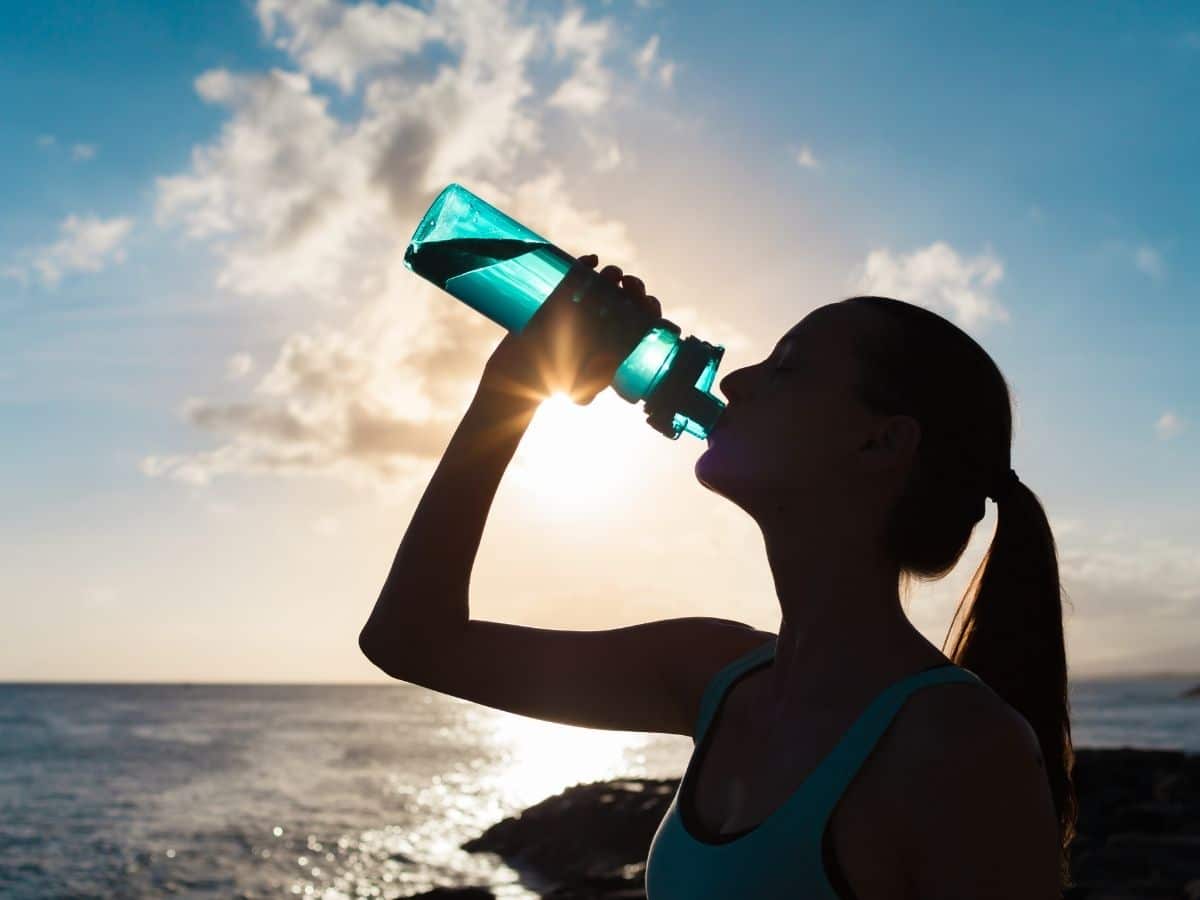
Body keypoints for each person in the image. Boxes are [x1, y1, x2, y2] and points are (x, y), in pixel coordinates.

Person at [358, 253, 1076, 899]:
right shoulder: (712, 674)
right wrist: (512, 390)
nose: (735, 377)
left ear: (881, 440)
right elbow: (410, 640)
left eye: (789, 366)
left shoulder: (960, 746)